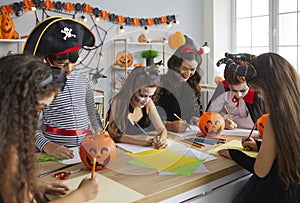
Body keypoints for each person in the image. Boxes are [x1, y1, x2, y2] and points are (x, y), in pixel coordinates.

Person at [0, 54, 98, 203]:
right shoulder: (8, 149)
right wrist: (81, 195)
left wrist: (33, 187)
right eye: (39, 107)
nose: (35, 116)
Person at [218, 52, 300, 202]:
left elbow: (261, 170)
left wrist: (234, 154)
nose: (260, 97)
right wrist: (259, 145)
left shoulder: (274, 121)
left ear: (272, 90)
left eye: (260, 92)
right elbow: (286, 150)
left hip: (276, 194)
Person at [24, 17, 102, 159]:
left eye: (73, 63)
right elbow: (28, 125)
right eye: (62, 64)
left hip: (86, 150)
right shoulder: (42, 84)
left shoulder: (83, 79)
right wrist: (47, 145)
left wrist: (99, 129)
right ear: (48, 60)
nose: (69, 69)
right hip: (56, 153)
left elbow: (92, 111)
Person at [107, 66, 168, 149]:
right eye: (142, 95)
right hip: (119, 150)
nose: (146, 100)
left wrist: (162, 139)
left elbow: (161, 129)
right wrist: (137, 140)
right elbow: (113, 134)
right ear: (131, 90)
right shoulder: (119, 102)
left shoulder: (148, 102)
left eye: (150, 96)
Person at [206, 53, 266, 129]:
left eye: (243, 90)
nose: (239, 95)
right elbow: (210, 115)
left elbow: (254, 124)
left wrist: (229, 118)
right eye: (234, 90)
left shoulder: (257, 92)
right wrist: (224, 121)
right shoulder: (223, 88)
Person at [153, 43, 204, 133]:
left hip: (184, 135)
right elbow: (146, 119)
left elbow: (196, 112)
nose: (188, 74)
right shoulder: (160, 84)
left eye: (192, 70)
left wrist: (194, 118)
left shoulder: (192, 85)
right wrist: (168, 125)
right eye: (184, 68)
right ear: (175, 66)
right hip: (160, 134)